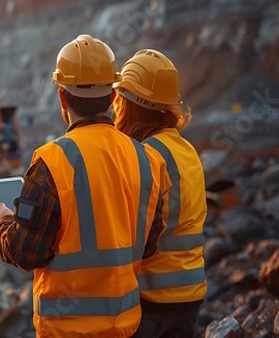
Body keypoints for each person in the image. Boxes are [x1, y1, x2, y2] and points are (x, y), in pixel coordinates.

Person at [0, 35, 168, 337]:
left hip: (65, 330)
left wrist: (4, 223)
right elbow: (150, 244)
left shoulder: (51, 161)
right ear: (113, 95)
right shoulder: (148, 159)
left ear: (62, 97)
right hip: (125, 326)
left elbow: (27, 253)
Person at [112, 49, 207, 338]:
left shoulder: (147, 156)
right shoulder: (185, 149)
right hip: (189, 295)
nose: (115, 107)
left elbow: (136, 236)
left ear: (128, 105)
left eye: (118, 99)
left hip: (154, 301)